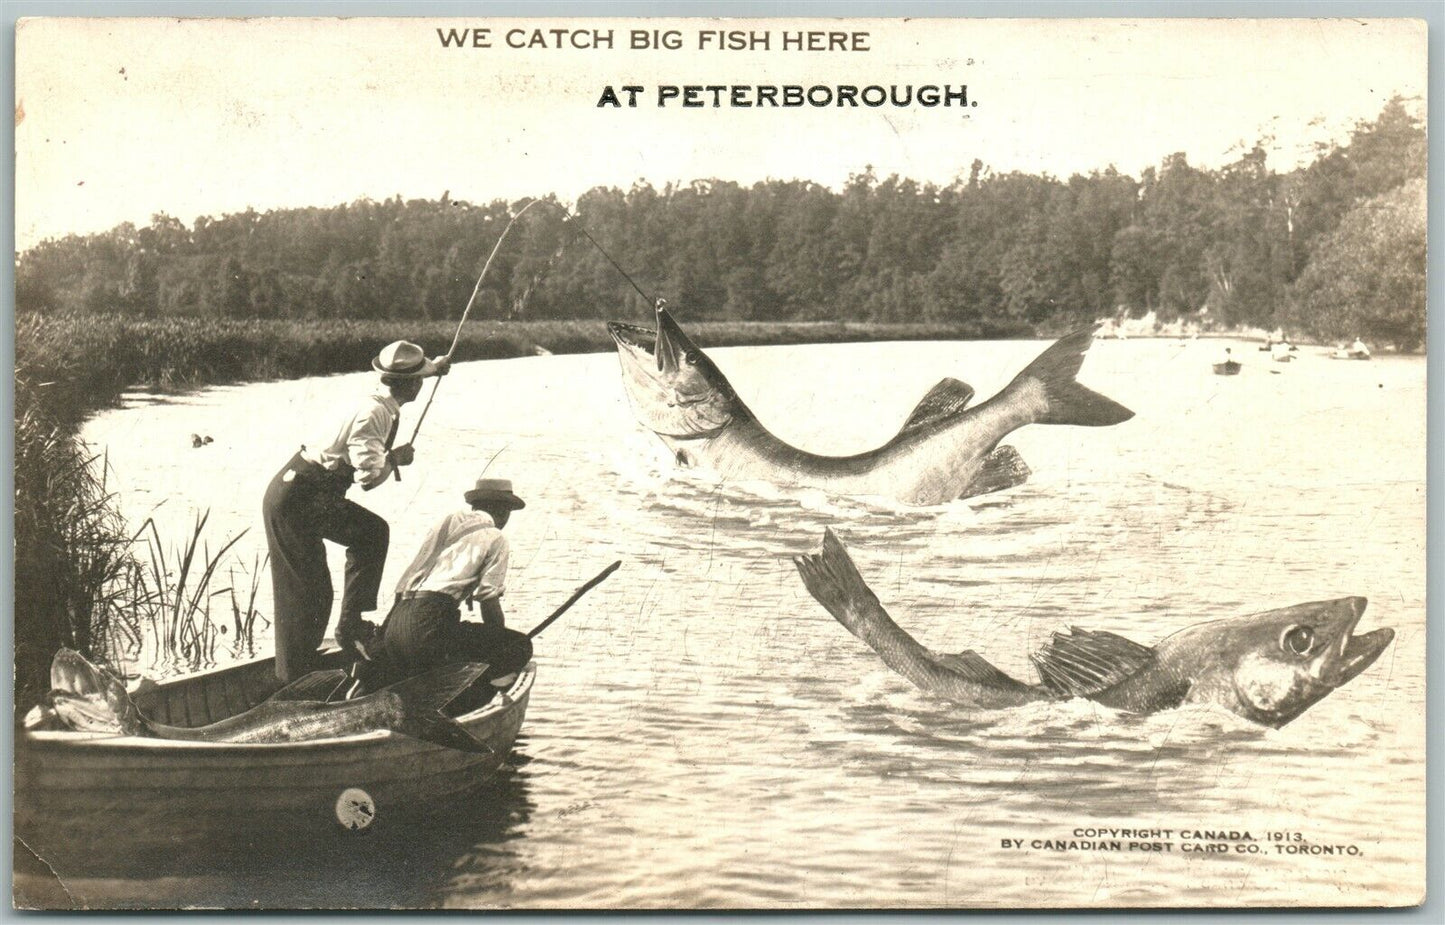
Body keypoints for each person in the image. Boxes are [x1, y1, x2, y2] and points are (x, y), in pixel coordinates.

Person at [262, 340, 449, 681]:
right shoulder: (375, 414)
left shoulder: (379, 400)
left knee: (369, 536)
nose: (423, 383)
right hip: (298, 499)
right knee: (307, 592)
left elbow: (361, 470)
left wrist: (435, 366)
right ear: (410, 384)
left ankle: (346, 628)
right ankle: (296, 675)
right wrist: (395, 459)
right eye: (420, 378)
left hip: (306, 491)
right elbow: (367, 478)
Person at [344, 477, 535, 698]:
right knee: (520, 645)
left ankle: (375, 678)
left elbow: (408, 579)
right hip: (430, 627)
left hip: (398, 623)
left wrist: (385, 637)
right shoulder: (496, 537)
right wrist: (500, 644)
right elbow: (488, 600)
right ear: (504, 512)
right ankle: (472, 692)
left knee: (418, 652)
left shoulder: (445, 523)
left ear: (474, 506)